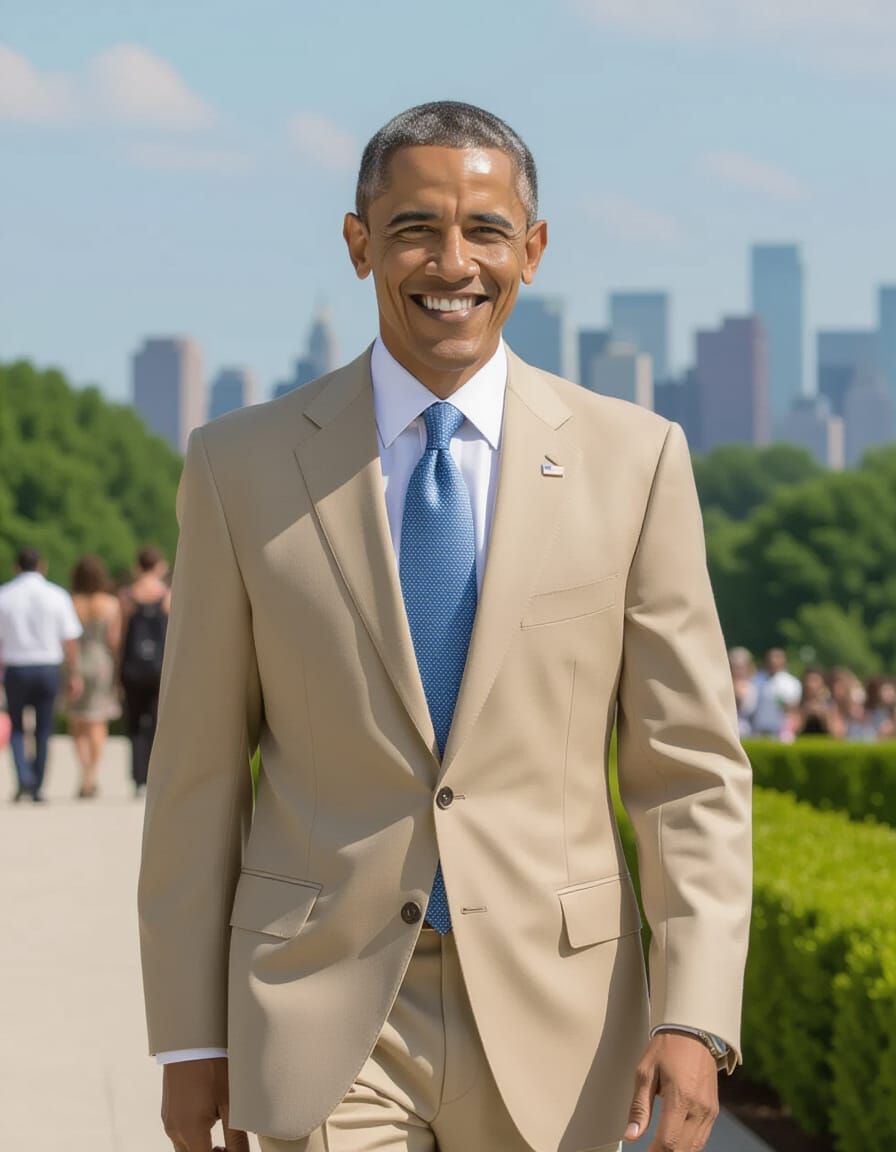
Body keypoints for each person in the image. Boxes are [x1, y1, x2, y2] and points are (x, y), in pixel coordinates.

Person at [139, 102, 752, 1152]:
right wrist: (187, 1041)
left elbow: (685, 768)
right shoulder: (238, 467)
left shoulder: (634, 462)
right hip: (319, 1006)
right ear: (358, 242)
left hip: (560, 1014)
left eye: (485, 230)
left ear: (534, 249)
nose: (450, 261)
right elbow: (194, 776)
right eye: (415, 227)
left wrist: (695, 1014)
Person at [0, 547, 83, 802]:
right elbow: (70, 639)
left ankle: (23, 776)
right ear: (42, 566)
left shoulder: (4, 595)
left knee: (16, 726)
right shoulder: (57, 595)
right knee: (43, 728)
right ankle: (37, 786)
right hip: (48, 666)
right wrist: (74, 673)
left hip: (16, 667)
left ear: (16, 567)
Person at [68, 555, 123, 798]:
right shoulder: (111, 604)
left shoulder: (71, 602)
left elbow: (67, 639)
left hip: (77, 662)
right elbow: (114, 641)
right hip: (101, 662)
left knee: (77, 721)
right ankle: (93, 773)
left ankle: (84, 772)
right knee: (98, 720)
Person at [120, 547, 170, 796]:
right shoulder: (167, 595)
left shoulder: (128, 595)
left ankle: (138, 777)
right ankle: (156, 774)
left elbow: (117, 636)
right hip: (160, 667)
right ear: (159, 565)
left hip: (133, 667)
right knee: (158, 722)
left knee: (135, 724)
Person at [750, 648, 802, 739]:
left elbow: (793, 709)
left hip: (781, 732)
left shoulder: (791, 683)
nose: (773, 661)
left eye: (777, 658)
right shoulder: (756, 680)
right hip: (758, 730)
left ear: (784, 661)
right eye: (771, 658)